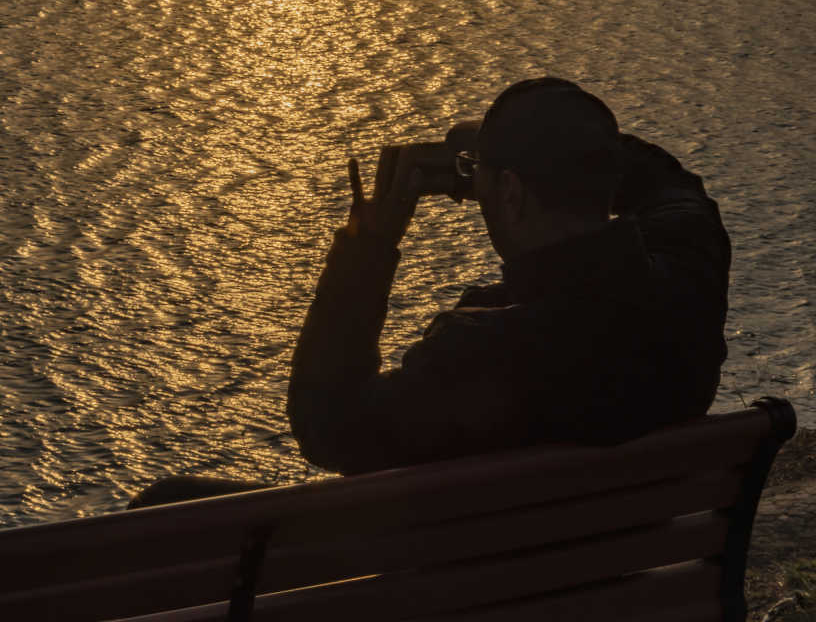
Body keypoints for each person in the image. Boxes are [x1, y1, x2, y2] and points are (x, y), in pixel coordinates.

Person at [287, 76, 731, 475]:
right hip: (632, 559)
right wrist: (505, 156)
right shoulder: (688, 282)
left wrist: (367, 249)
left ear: (511, 193)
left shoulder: (477, 356)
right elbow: (669, 185)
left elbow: (328, 424)